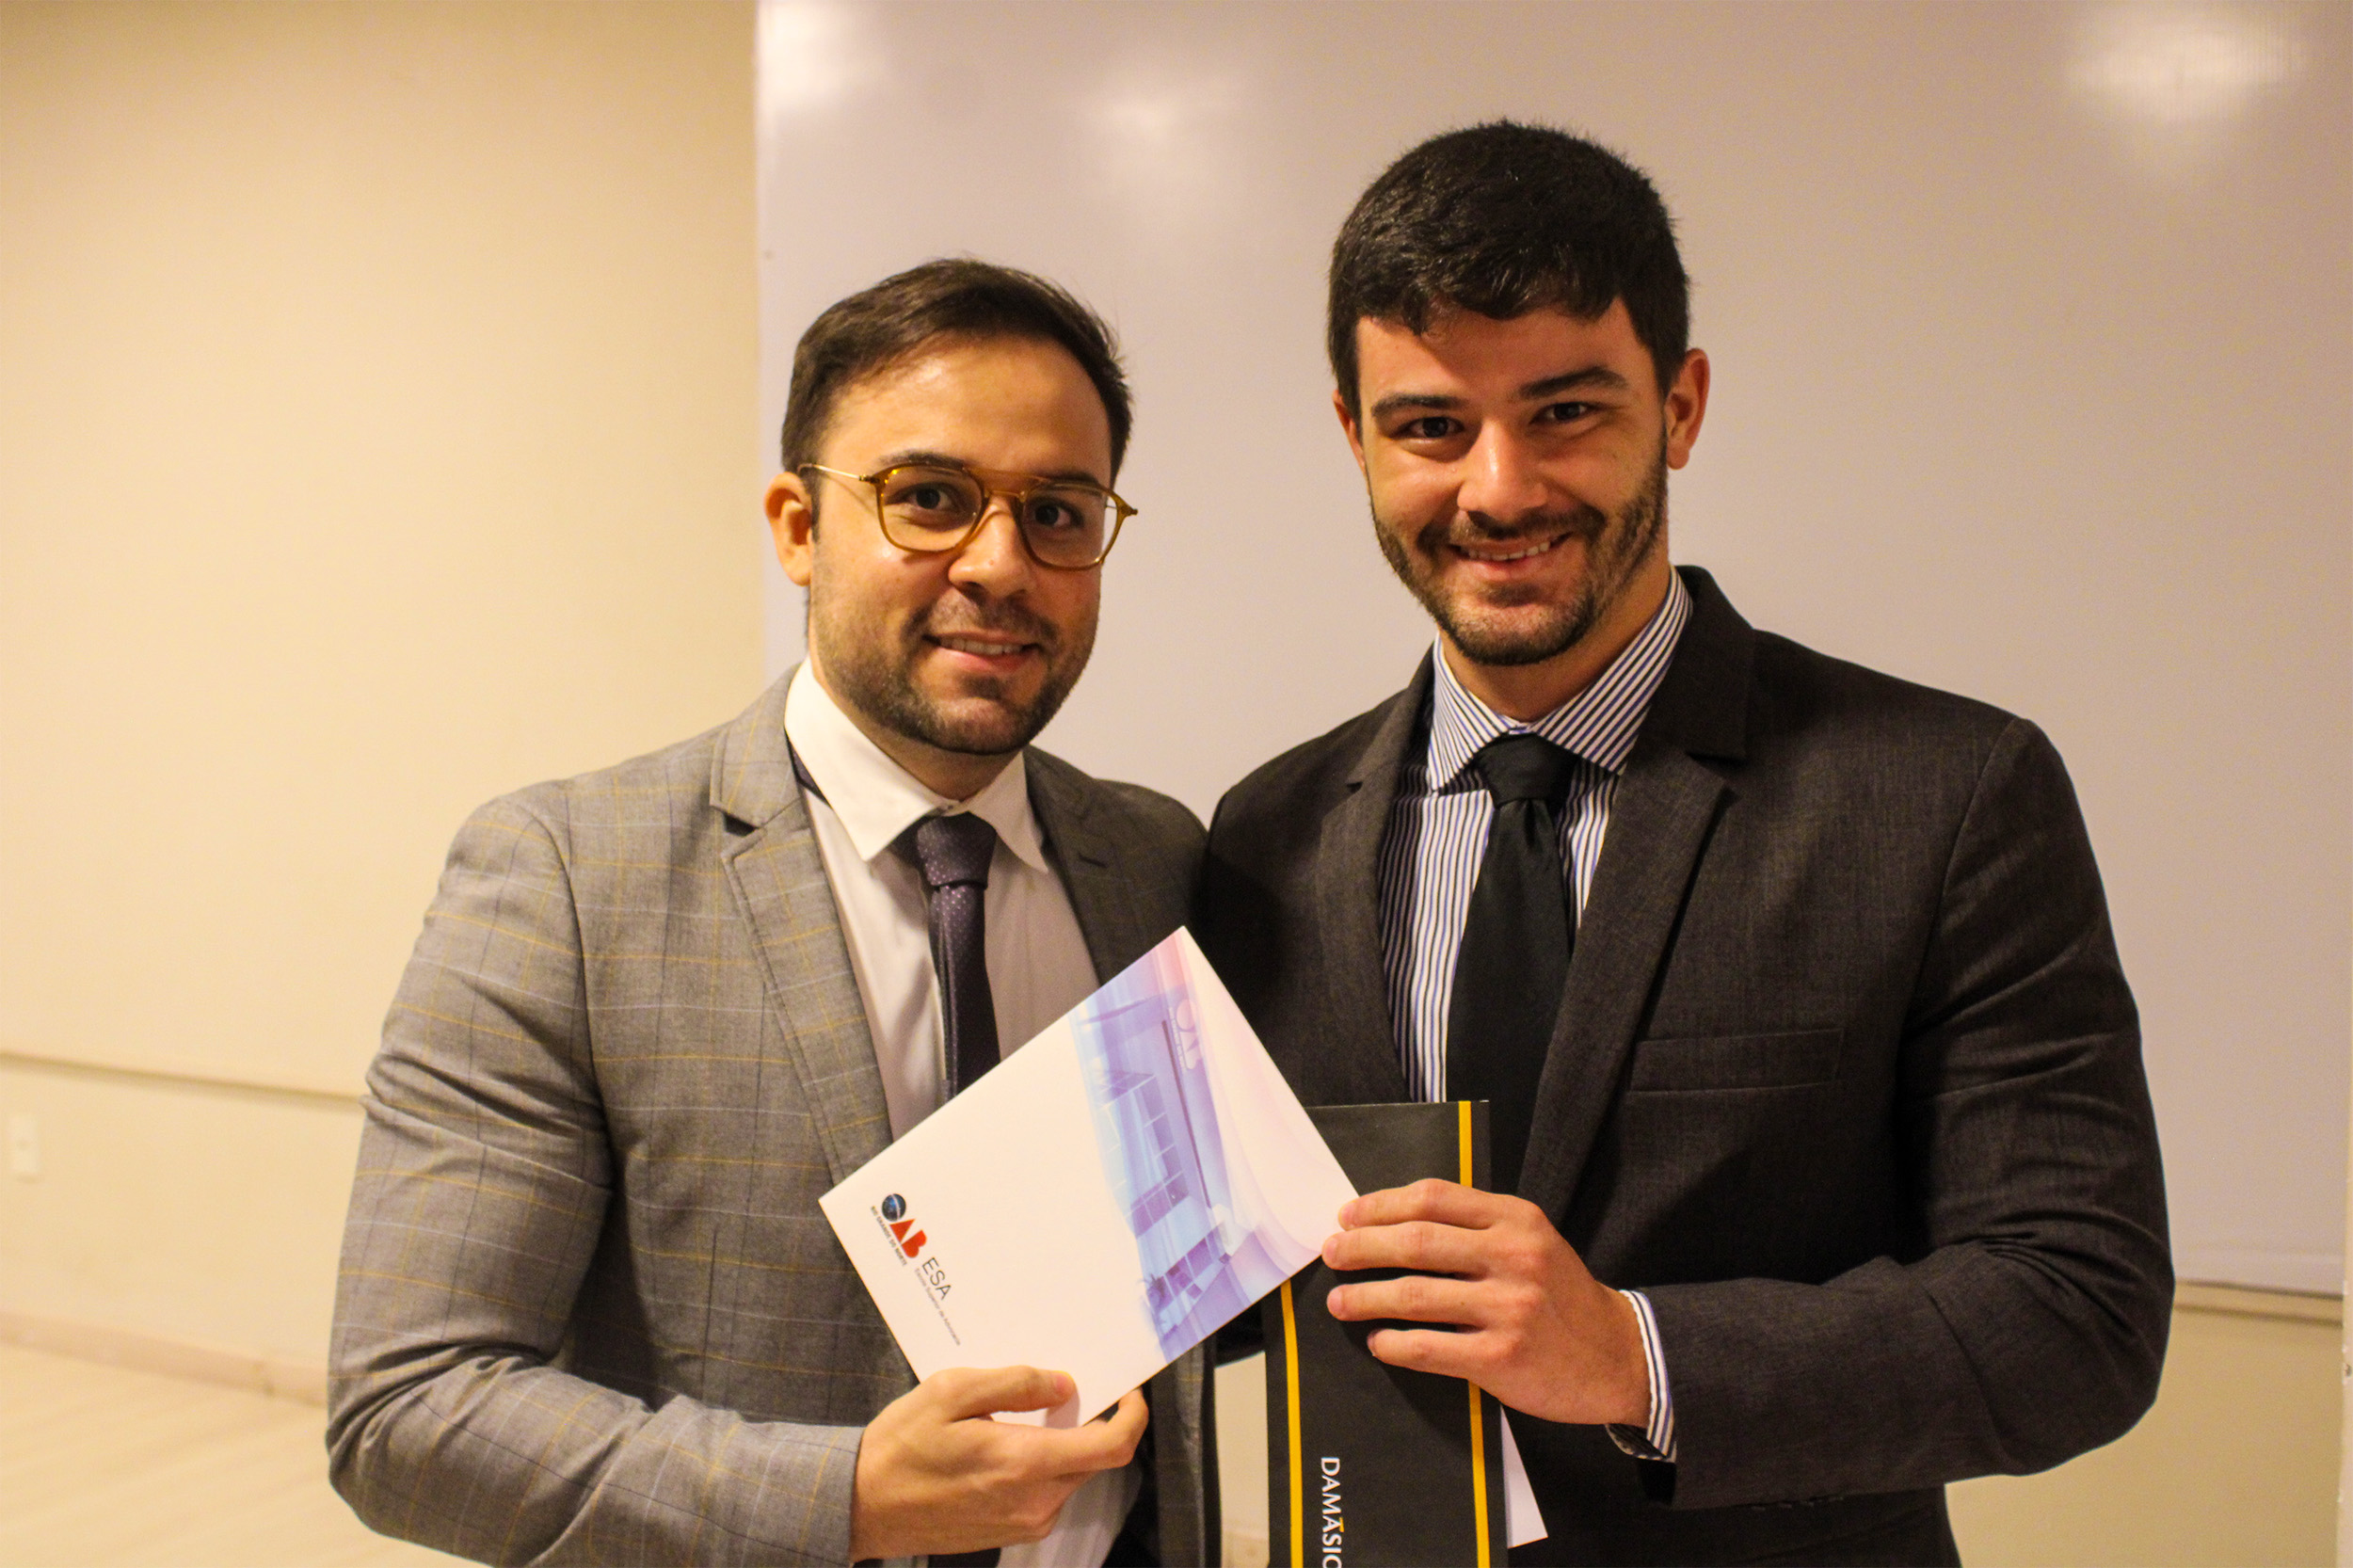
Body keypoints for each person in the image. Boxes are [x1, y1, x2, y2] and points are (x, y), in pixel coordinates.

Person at [1196, 122, 2169, 1565]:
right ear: (1355, 434)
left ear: (1682, 404)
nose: (1499, 488)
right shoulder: (1265, 829)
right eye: (1431, 427)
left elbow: (2077, 1311)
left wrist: (1633, 1354)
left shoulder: (1948, 792)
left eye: (1566, 411)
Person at [328, 259, 1211, 1568]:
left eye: (1058, 512)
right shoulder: (566, 879)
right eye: (929, 498)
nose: (1000, 563)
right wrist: (848, 1497)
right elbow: (409, 1411)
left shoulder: (1155, 859)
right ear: (799, 526)